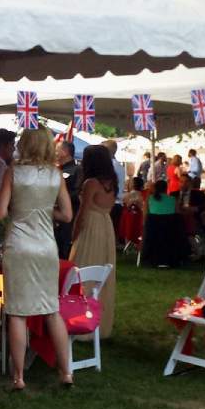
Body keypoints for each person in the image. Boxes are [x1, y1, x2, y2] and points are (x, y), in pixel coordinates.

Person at [0, 127, 75, 390]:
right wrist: (45, 211)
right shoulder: (56, 175)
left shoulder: (13, 172)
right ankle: (66, 372)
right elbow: (67, 215)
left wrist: (21, 210)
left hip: (19, 245)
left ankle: (18, 377)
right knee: (52, 310)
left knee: (17, 312)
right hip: (46, 247)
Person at [70, 145, 118, 338]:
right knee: (101, 277)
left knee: (82, 268)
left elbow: (83, 212)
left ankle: (79, 320)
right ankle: (98, 321)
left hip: (91, 226)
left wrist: (74, 232)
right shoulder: (111, 182)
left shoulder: (91, 183)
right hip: (106, 225)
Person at [140, 180, 185, 268]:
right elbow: (178, 215)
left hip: (153, 230)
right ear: (166, 188)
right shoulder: (173, 199)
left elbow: (145, 216)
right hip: (170, 231)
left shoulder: (149, 199)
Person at [53, 140, 80, 259]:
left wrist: (61, 198)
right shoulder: (57, 170)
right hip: (55, 215)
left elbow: (78, 192)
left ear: (65, 152)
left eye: (57, 149)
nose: (55, 152)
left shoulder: (77, 170)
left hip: (69, 216)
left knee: (64, 247)